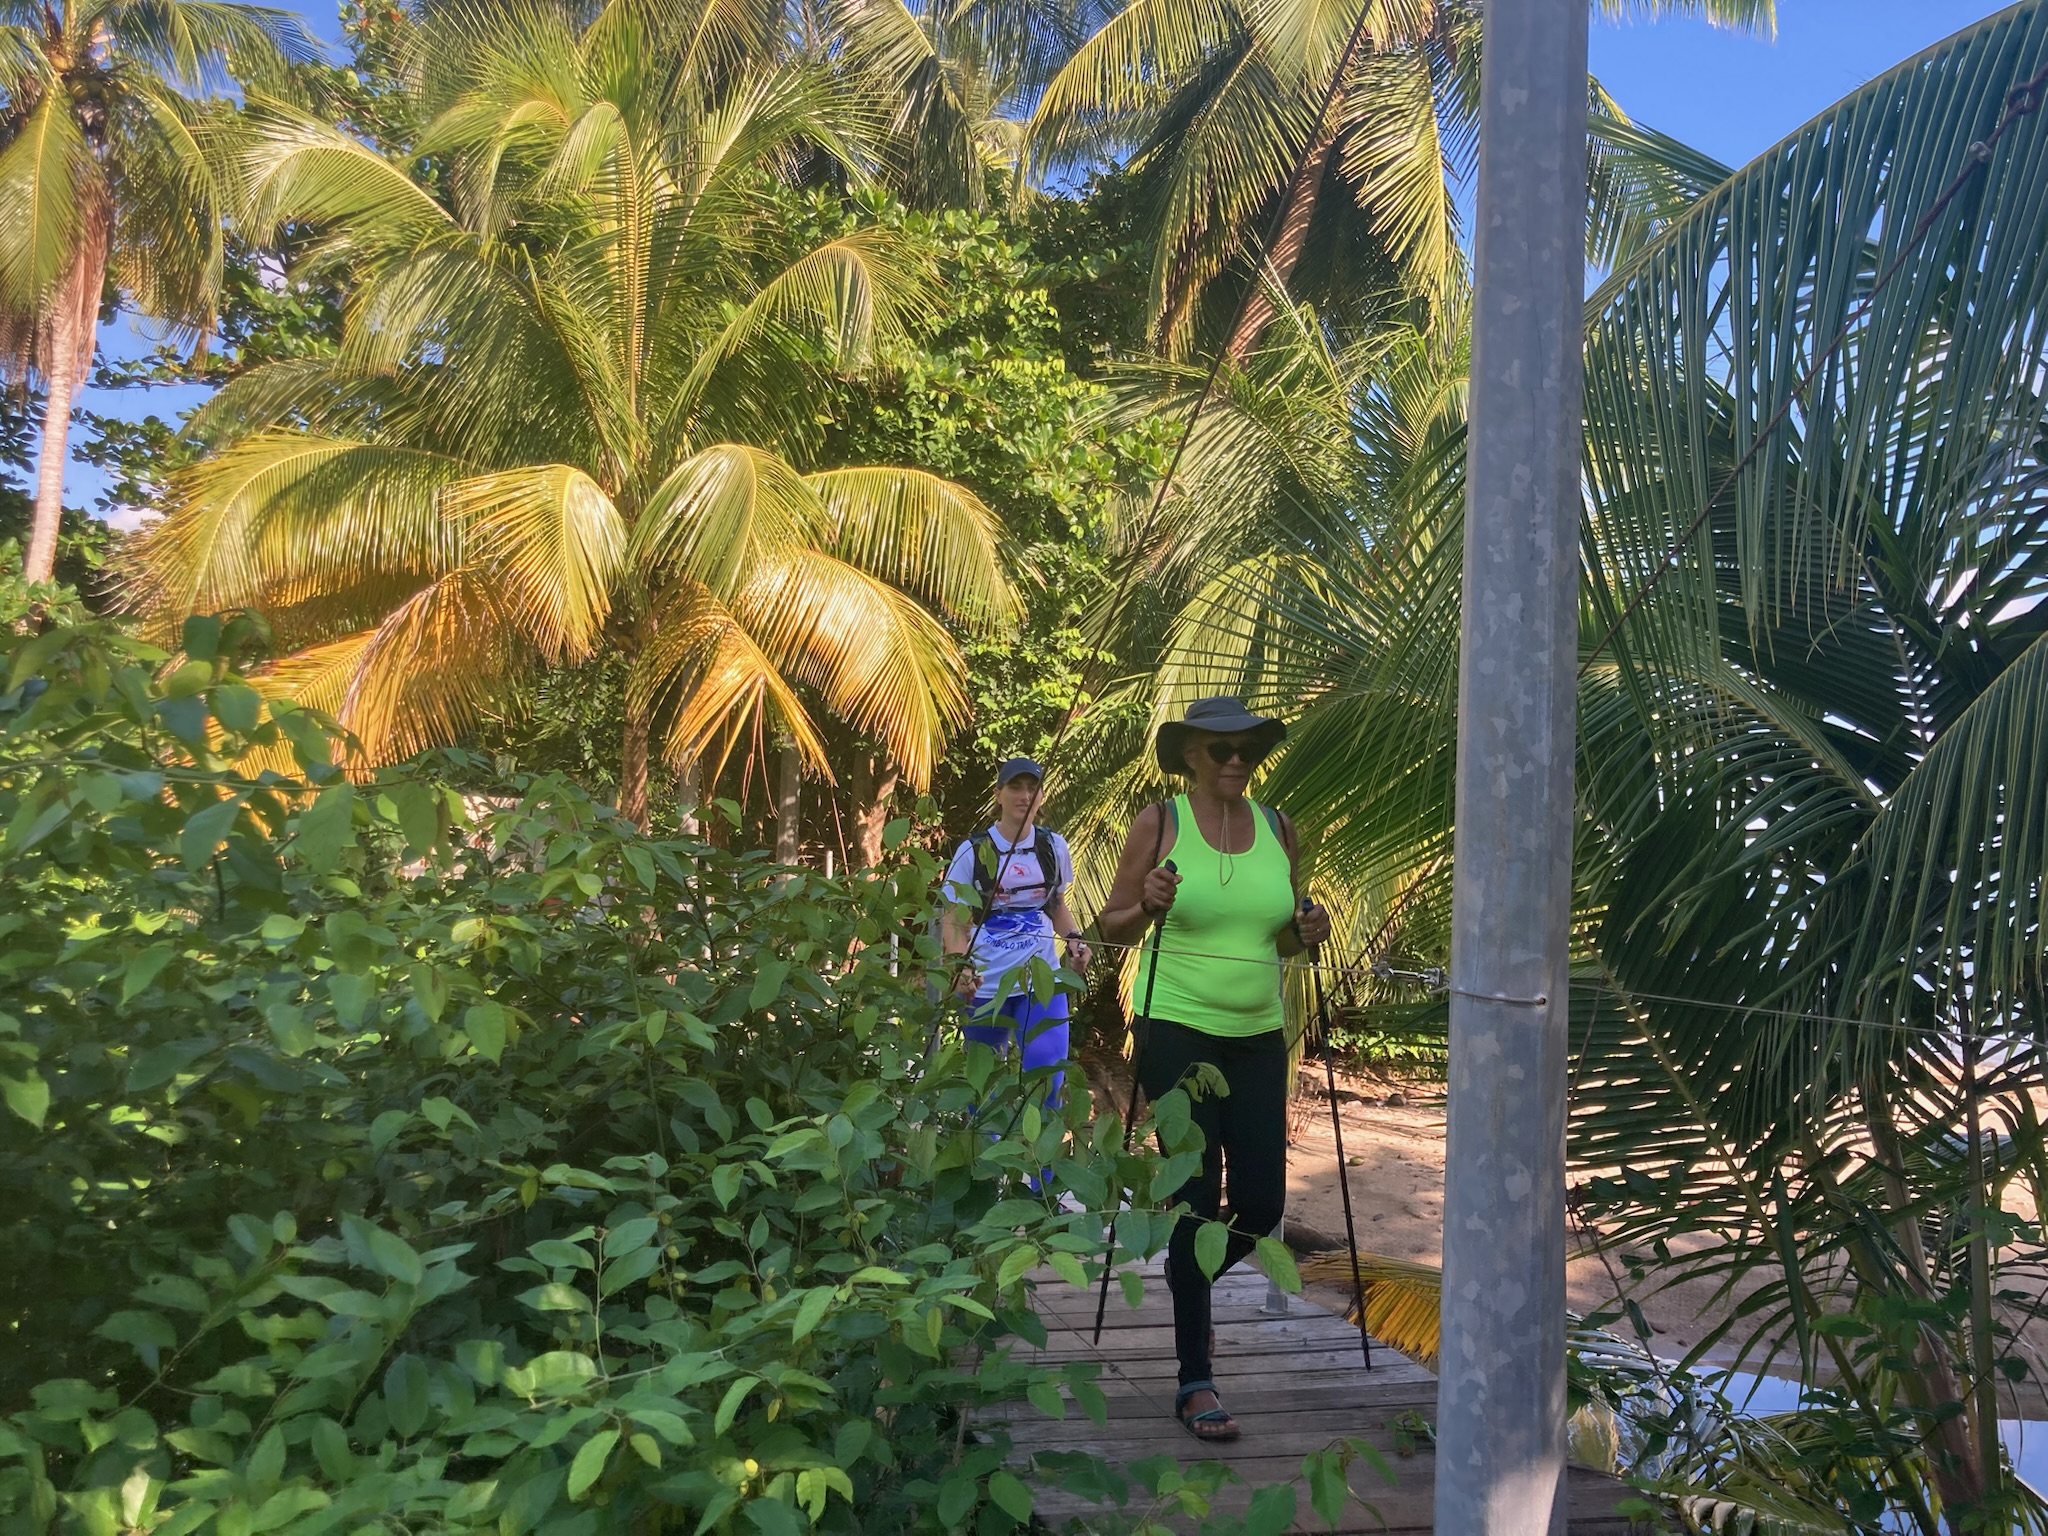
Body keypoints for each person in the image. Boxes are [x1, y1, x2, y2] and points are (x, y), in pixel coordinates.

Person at [1097, 696, 1330, 1442]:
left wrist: (1306, 929)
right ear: (1190, 755)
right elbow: (1112, 924)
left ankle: (1184, 1277)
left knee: (1260, 1208)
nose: (1236, 761)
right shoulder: (1158, 823)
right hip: (1176, 1032)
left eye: (1248, 751)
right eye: (1220, 750)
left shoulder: (1279, 827)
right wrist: (1150, 906)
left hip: (1260, 1035)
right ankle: (1195, 1380)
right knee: (1196, 1200)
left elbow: (1284, 940)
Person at [940, 757, 1092, 1110]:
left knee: (1047, 1081)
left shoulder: (1053, 846)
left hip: (1041, 980)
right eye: (1015, 787)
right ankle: (988, 1164)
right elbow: (953, 920)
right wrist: (960, 966)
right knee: (983, 1089)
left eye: (1032, 788)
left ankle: (1042, 1166)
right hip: (985, 984)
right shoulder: (972, 851)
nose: (1025, 796)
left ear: (1041, 796)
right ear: (999, 794)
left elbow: (1056, 905)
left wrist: (1075, 939)